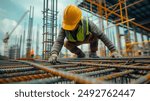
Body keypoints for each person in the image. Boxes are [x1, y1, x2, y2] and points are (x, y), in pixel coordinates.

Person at [49, 5, 121, 64]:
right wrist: (54, 53)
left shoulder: (87, 23)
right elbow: (59, 41)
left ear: (78, 21)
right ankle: (80, 54)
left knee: (95, 34)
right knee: (66, 43)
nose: (70, 28)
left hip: (87, 38)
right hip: (74, 41)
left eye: (72, 25)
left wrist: (113, 50)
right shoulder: (64, 27)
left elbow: (102, 35)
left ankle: (93, 53)